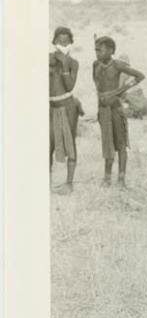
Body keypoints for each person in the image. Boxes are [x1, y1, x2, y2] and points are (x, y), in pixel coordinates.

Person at [93, 36, 145, 188]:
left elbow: (140, 76)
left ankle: (121, 179)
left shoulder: (117, 65)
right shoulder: (95, 65)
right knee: (107, 144)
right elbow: (98, 89)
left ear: (110, 51)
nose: (97, 53)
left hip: (116, 109)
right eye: (95, 50)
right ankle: (107, 178)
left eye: (100, 50)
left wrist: (119, 90)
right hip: (103, 110)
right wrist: (99, 109)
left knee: (121, 144)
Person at [49, 26, 84, 194]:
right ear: (54, 42)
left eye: (66, 41)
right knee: (48, 144)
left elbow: (69, 85)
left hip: (68, 106)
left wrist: (63, 66)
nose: (63, 44)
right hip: (50, 106)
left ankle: (69, 183)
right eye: (59, 41)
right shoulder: (47, 59)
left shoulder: (73, 63)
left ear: (71, 43)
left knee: (70, 143)